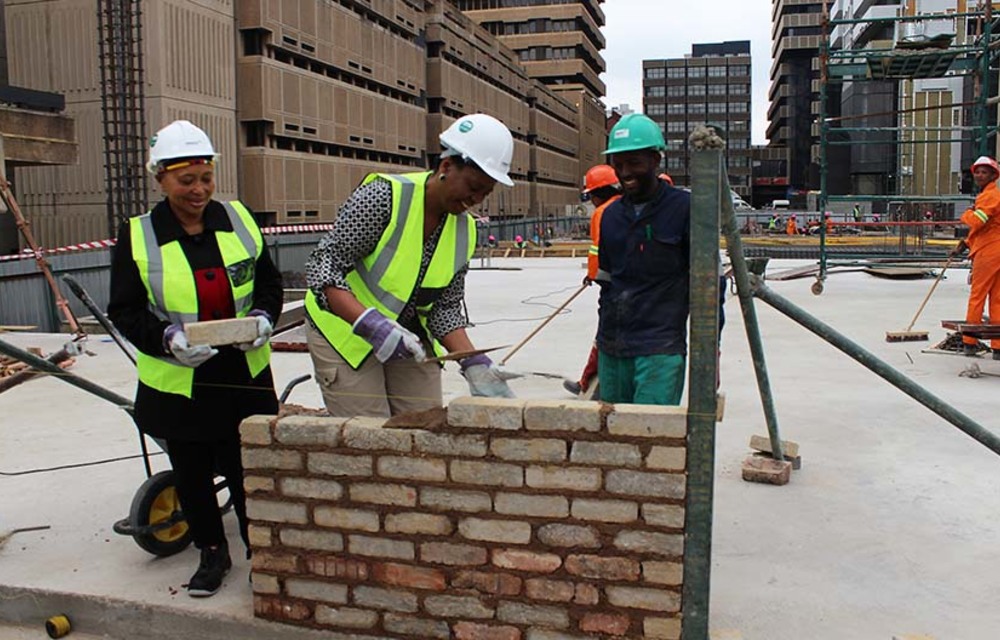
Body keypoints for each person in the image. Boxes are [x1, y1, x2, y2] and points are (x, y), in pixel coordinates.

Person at [107, 120, 282, 597]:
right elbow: (123, 309)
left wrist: (265, 316)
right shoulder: (139, 236)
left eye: (206, 178)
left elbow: (268, 283)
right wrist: (167, 339)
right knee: (193, 474)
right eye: (187, 181)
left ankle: (261, 550)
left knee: (250, 470)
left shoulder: (240, 220)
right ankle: (211, 551)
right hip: (180, 381)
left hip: (243, 374)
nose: (199, 190)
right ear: (160, 179)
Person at [303, 113, 519, 418]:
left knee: (422, 426)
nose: (477, 199)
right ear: (446, 166)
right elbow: (324, 266)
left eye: (486, 192)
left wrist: (472, 361)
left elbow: (444, 309)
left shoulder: (464, 231)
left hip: (408, 338)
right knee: (371, 435)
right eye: (473, 186)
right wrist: (368, 323)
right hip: (345, 331)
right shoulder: (384, 198)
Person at [595, 113, 694, 405]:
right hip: (613, 349)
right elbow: (607, 283)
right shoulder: (611, 216)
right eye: (618, 164)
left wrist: (711, 351)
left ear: (655, 160)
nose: (625, 172)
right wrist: (599, 345)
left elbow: (710, 286)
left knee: (652, 439)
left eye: (634, 163)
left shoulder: (685, 209)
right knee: (613, 438)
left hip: (659, 349)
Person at [563, 164, 622, 398]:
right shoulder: (628, 206)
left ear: (597, 193)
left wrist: (592, 274)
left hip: (610, 286)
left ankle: (587, 382)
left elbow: (598, 250)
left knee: (605, 334)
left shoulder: (602, 213)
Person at [954, 156, 1000, 358]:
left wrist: (966, 214)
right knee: (997, 299)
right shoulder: (992, 196)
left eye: (984, 172)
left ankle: (969, 342)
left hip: (989, 251)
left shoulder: (990, 196)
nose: (980, 175)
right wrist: (966, 243)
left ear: (993, 176)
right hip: (993, 246)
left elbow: (978, 221)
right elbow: (987, 229)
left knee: (978, 295)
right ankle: (998, 346)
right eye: (978, 172)